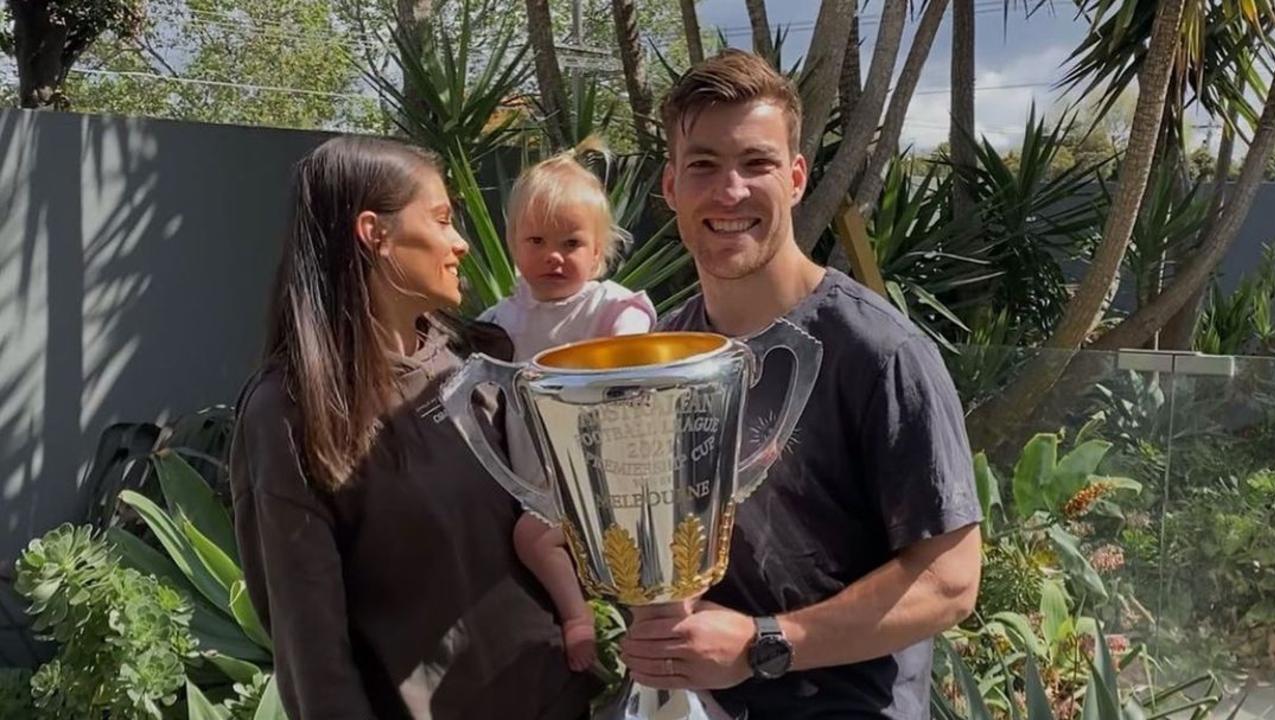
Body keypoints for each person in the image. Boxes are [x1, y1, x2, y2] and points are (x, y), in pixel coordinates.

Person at [618, 49, 984, 719]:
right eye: (703, 165)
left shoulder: (881, 353)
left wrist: (765, 645)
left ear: (794, 179)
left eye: (755, 163)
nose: (729, 192)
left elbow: (951, 580)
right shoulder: (662, 359)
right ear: (671, 188)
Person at [230, 136, 596, 720]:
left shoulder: (481, 360)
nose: (462, 243)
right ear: (375, 233)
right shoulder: (291, 412)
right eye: (444, 219)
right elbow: (312, 655)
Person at [480, 141, 656, 672]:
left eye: (572, 242)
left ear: (599, 252)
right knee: (531, 538)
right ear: (514, 245)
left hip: (605, 476)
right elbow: (472, 365)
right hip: (542, 486)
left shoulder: (605, 304)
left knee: (641, 553)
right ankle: (577, 619)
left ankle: (649, 636)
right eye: (537, 240)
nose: (554, 255)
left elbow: (635, 330)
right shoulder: (503, 319)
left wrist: (618, 353)